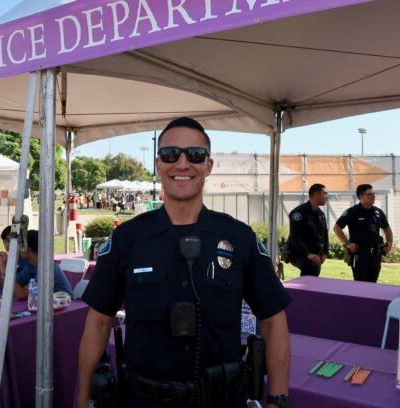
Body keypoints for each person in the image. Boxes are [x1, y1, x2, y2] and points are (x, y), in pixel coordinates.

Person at [78, 117, 291, 408]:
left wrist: (278, 400)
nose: (182, 164)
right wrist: (81, 400)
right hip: (142, 401)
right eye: (170, 154)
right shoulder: (127, 239)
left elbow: (273, 320)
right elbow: (99, 322)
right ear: (158, 165)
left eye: (194, 155)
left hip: (221, 400)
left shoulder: (239, 238)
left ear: (208, 166)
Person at [333, 184, 393, 283]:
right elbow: (337, 228)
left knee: (372, 284)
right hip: (359, 256)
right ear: (361, 196)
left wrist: (390, 243)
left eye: (374, 194)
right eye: (369, 194)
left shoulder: (378, 212)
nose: (373, 196)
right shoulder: (352, 212)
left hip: (375, 256)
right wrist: (348, 243)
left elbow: (387, 229)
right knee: (360, 286)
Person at [13, 230, 75, 300]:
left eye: (19, 246)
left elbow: (22, 294)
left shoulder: (47, 268)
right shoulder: (30, 265)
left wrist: (5, 271)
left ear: (26, 249)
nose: (17, 250)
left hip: (67, 308)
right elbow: (14, 287)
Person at [286, 183, 329, 277]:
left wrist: (325, 253)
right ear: (316, 194)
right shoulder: (298, 213)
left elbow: (325, 234)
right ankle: (303, 290)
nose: (327, 197)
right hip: (298, 253)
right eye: (325, 193)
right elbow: (294, 237)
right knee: (310, 266)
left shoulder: (320, 214)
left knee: (315, 269)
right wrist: (308, 254)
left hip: (315, 253)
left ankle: (308, 290)